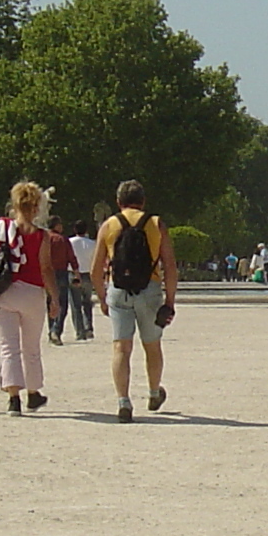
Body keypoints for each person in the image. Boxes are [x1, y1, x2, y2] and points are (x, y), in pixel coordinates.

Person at [94, 179, 179, 422]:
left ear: (118, 202)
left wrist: (102, 297)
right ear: (143, 201)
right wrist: (170, 300)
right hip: (149, 289)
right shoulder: (155, 224)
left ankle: (123, 401)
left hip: (119, 290)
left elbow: (95, 269)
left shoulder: (109, 225)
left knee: (121, 347)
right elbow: (170, 267)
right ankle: (153, 392)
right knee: (152, 346)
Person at [0, 181, 60, 413]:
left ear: (14, 205)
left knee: (8, 346)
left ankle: (13, 398)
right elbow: (46, 269)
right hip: (32, 293)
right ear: (36, 207)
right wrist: (54, 298)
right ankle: (33, 393)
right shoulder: (42, 236)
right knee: (31, 347)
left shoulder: (1, 229)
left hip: (5, 291)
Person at [65, 220, 98, 343]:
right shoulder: (92, 243)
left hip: (74, 274)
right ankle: (89, 327)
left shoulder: (70, 242)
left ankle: (80, 331)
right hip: (88, 274)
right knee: (87, 302)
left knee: (75, 304)